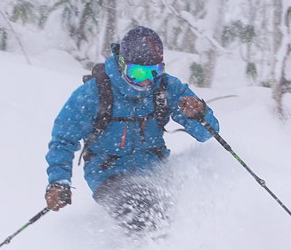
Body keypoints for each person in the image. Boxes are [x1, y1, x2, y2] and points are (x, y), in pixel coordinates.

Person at [44, 26, 219, 232]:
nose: (147, 80)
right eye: (137, 73)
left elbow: (208, 133)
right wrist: (58, 181)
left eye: (154, 72)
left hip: (157, 171)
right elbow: (63, 140)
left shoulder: (165, 88)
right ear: (121, 64)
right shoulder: (94, 94)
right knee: (144, 211)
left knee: (197, 203)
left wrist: (199, 114)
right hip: (109, 175)